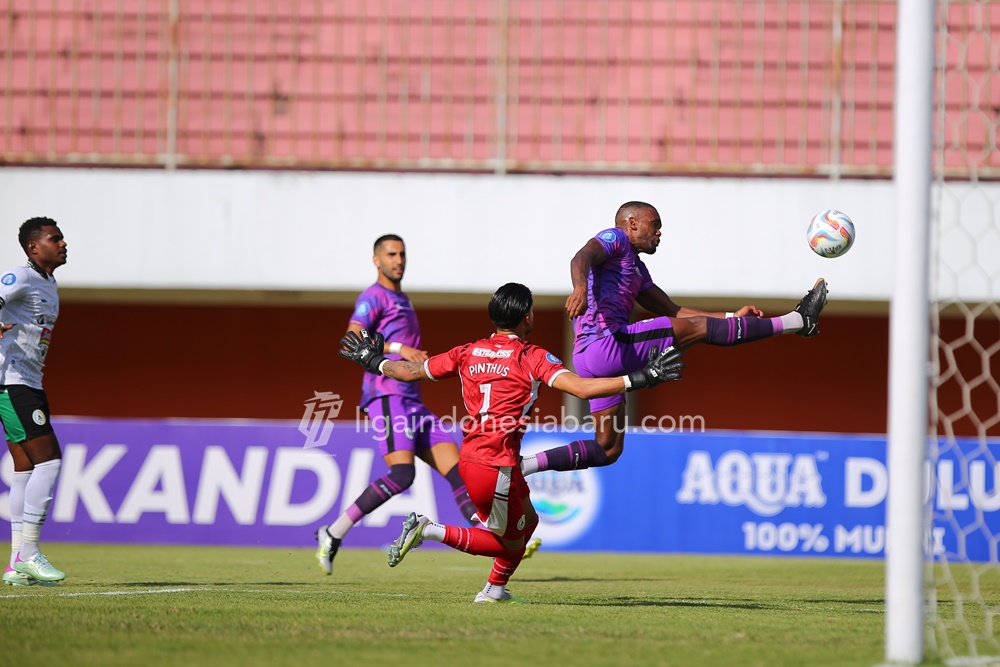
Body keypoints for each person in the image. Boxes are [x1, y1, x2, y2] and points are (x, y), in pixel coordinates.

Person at [338, 282, 685, 603]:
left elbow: (411, 371)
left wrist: (373, 360)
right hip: (496, 466)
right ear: (527, 316)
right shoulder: (530, 356)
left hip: (476, 460)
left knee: (529, 520)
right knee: (505, 544)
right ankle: (429, 531)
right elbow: (581, 388)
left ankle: (494, 590)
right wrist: (643, 377)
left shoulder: (468, 352)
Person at [519, 200, 828, 477]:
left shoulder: (636, 270)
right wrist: (579, 288)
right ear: (633, 223)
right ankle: (798, 321)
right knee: (695, 330)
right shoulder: (616, 239)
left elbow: (674, 310)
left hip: (588, 359)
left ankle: (527, 464)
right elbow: (582, 256)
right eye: (655, 225)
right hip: (607, 345)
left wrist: (732, 317)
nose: (659, 233)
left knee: (608, 449)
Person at [315, 234, 494, 576]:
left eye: (402, 254)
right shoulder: (373, 297)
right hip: (386, 395)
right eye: (391, 254)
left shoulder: (402, 297)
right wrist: (398, 350)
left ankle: (493, 533)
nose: (398, 259)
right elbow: (353, 337)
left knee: (459, 473)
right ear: (376, 260)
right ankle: (333, 532)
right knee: (402, 474)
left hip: (413, 401)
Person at [2, 217, 68, 586]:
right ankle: (30, 553)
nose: (62, 244)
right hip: (13, 384)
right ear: (33, 248)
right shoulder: (21, 277)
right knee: (50, 462)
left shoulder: (48, 283)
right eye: (54, 239)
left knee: (25, 469)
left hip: (26, 382)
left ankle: (14, 565)